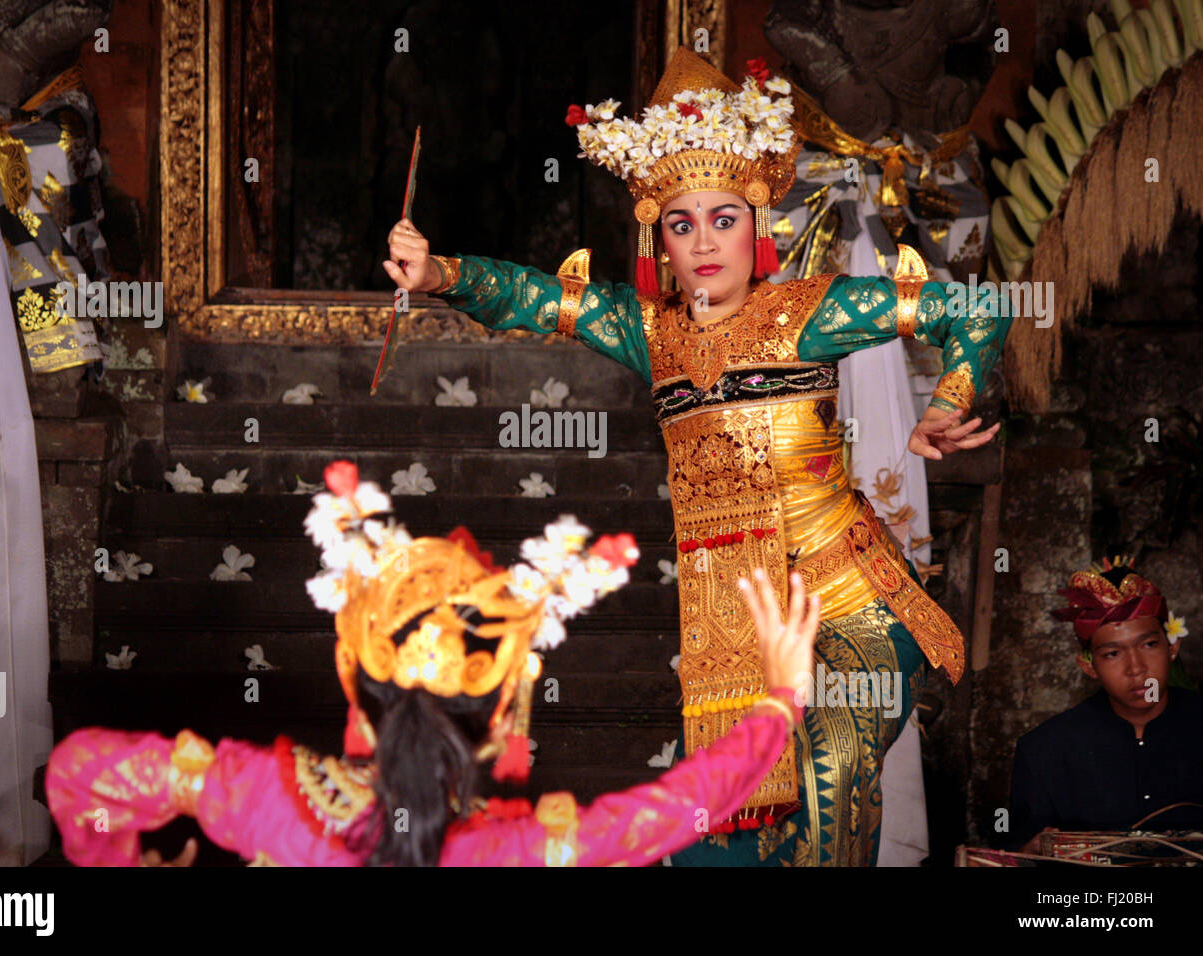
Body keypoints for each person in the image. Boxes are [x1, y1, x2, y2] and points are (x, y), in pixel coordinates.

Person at [382, 47, 1010, 865]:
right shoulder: (652, 332)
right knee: (707, 829)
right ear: (660, 238)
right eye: (683, 224)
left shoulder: (810, 314)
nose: (705, 244)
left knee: (827, 772)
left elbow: (978, 308)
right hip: (735, 630)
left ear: (757, 223)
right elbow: (535, 298)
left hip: (851, 607)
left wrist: (951, 399)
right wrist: (439, 274)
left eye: (724, 219)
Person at [45, 460, 817, 867]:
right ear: (503, 720)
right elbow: (683, 807)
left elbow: (78, 773)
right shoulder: (528, 850)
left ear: (358, 688)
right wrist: (780, 700)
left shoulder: (258, 800)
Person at [1009, 556, 1203, 854]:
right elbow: (1017, 853)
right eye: (1113, 654)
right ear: (1089, 666)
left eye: (1149, 645)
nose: (1136, 668)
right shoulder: (1045, 751)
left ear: (1172, 648)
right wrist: (1031, 851)